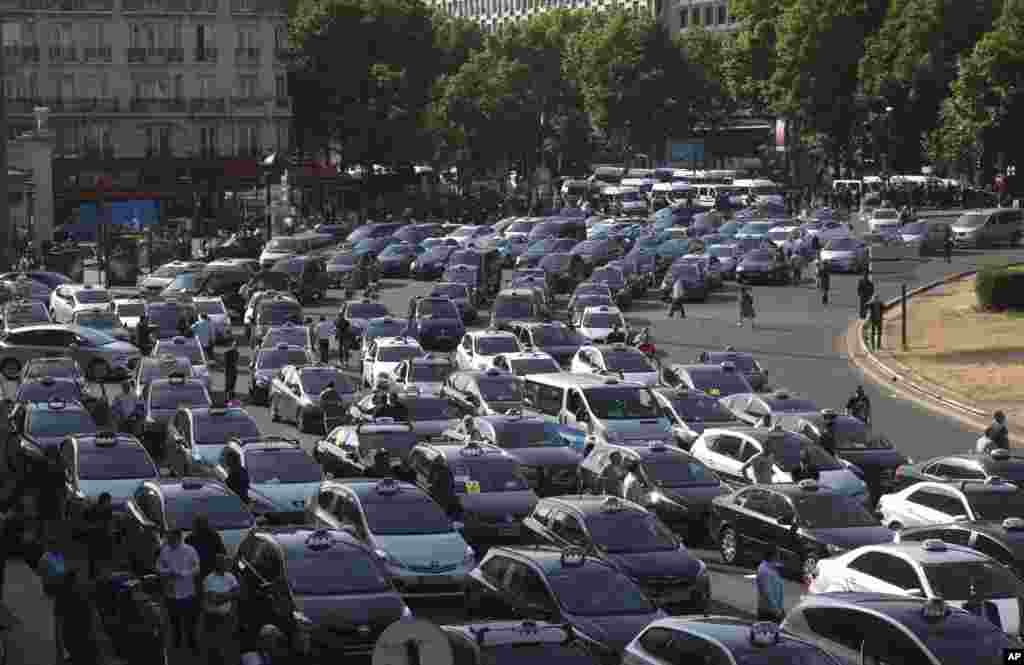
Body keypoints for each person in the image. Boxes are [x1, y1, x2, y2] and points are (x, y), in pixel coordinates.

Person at [157, 529, 200, 655]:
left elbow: (197, 567)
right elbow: (158, 566)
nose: (168, 540)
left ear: (179, 538)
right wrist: (167, 572)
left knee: (190, 620)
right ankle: (177, 641)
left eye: (171, 538)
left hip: (187, 591)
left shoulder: (190, 550)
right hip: (170, 592)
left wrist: (184, 574)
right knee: (174, 619)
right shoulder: (165, 550)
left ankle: (191, 642)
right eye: (168, 538)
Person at [201, 554, 240, 665]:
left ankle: (222, 658)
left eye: (225, 563)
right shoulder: (209, 579)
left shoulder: (230, 576)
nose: (225, 565)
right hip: (212, 617)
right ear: (217, 564)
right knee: (212, 642)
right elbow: (213, 600)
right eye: (222, 563)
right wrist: (229, 594)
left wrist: (221, 596)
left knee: (225, 641)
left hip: (226, 616)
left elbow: (237, 592)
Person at [56, 568, 100, 665]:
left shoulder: (85, 595)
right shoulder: (63, 598)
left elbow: (93, 619)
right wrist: (60, 650)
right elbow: (59, 624)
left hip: (86, 641)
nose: (83, 581)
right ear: (73, 581)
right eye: (80, 579)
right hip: (76, 642)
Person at [38, 530, 68, 664]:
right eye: (55, 544)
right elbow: (42, 575)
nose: (58, 547)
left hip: (61, 587)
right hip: (52, 589)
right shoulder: (45, 558)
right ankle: (61, 651)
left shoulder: (60, 556)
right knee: (58, 621)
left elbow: (63, 570)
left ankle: (64, 649)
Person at [37, 447, 68, 542]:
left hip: (50, 499)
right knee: (51, 520)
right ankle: (51, 538)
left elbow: (62, 488)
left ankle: (50, 538)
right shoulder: (59, 468)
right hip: (50, 499)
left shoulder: (43, 467)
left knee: (49, 520)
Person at [82, 492, 115, 580]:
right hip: (96, 536)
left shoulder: (106, 510)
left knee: (97, 557)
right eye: (108, 501)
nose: (109, 503)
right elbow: (85, 522)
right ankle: (95, 575)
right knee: (95, 557)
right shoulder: (94, 509)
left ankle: (97, 575)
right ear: (104, 500)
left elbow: (109, 522)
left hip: (99, 536)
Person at [186, 515, 226, 583]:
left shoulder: (214, 536)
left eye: (201, 524)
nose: (200, 526)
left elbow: (222, 554)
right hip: (198, 572)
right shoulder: (190, 539)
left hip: (209, 571)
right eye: (198, 524)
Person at [756, 548, 785, 622]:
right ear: (772, 556)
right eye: (777, 555)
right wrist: (776, 610)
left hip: (777, 609)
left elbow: (779, 587)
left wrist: (780, 608)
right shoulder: (763, 570)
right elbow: (767, 593)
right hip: (768, 611)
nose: (779, 558)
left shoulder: (774, 568)